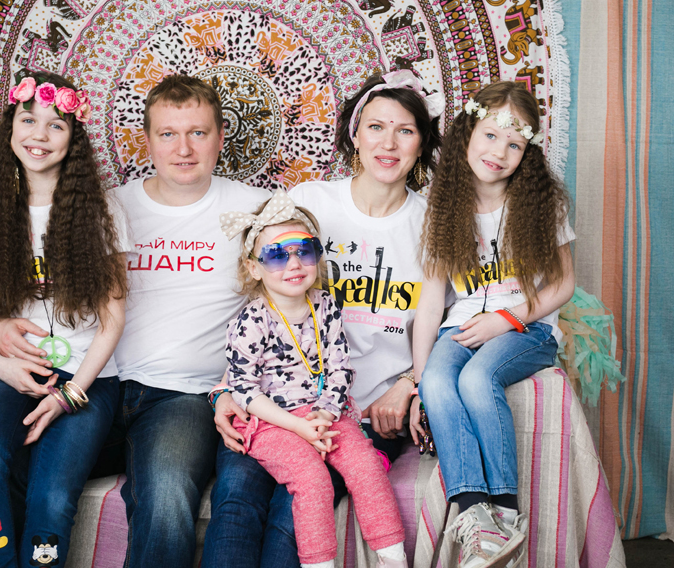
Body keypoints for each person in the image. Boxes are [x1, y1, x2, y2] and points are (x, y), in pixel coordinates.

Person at [0, 74, 269, 567]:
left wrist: (235, 383)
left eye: (198, 133)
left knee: (165, 492)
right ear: (147, 140)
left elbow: (284, 303)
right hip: (97, 382)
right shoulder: (106, 206)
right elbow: (34, 285)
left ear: (221, 137)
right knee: (11, 461)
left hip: (182, 396)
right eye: (168, 134)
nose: (183, 148)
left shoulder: (253, 210)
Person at [205, 69, 444, 567]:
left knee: (291, 518)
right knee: (235, 504)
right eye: (376, 127)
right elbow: (256, 301)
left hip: (359, 413)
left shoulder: (434, 224)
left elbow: (450, 323)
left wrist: (409, 384)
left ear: (422, 143)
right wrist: (224, 391)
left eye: (405, 130)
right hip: (270, 407)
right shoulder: (310, 201)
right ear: (354, 134)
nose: (388, 143)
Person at [0, 71, 129, 567]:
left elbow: (113, 322)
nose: (40, 135)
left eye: (56, 125)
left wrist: (69, 395)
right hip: (15, 369)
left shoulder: (103, 213)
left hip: (87, 377)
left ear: (73, 139)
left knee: (52, 494)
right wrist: (3, 368)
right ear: (10, 129)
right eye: (28, 120)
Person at [412, 81, 575, 568]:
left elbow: (563, 284)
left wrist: (504, 319)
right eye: (490, 136)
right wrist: (419, 380)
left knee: (478, 378)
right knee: (438, 381)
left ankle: (505, 512)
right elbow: (430, 302)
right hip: (462, 324)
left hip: (527, 326)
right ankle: (475, 515)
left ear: (527, 153)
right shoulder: (443, 207)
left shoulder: (543, 204)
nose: (499, 153)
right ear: (467, 133)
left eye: (514, 145)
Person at [217, 190, 408, 568]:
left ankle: (393, 557)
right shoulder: (251, 321)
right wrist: (299, 427)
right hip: (272, 422)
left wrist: (324, 414)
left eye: (304, 251)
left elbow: (339, 368)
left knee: (366, 466)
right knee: (311, 478)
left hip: (325, 411)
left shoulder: (325, 305)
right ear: (253, 267)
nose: (293, 263)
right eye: (276, 255)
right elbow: (244, 390)